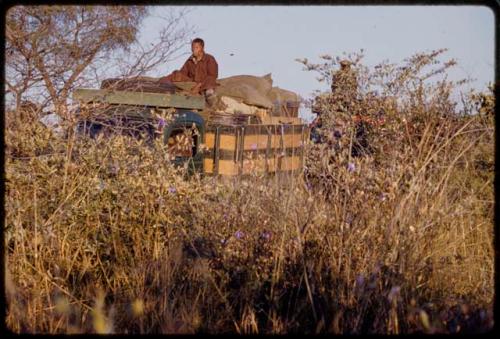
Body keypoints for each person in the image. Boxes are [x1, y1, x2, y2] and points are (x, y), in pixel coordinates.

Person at [160, 38, 219, 106]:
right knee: (177, 74)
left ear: (202, 48)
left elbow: (213, 75)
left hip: (205, 83)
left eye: (196, 47)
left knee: (210, 81)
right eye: (192, 47)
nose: (194, 49)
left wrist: (198, 86)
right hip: (193, 82)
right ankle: (162, 82)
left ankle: (209, 97)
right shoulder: (190, 60)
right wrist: (177, 76)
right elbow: (183, 72)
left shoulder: (209, 59)